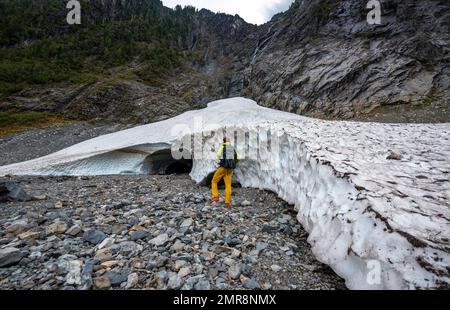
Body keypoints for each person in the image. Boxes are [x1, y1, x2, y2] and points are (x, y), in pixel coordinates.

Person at [211, 137, 240, 208]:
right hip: (230, 169)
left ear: (223, 141)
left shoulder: (222, 146)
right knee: (228, 185)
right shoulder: (233, 148)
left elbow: (218, 155)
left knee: (214, 181)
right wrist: (233, 162)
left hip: (223, 167)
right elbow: (238, 158)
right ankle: (227, 203)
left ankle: (215, 197)